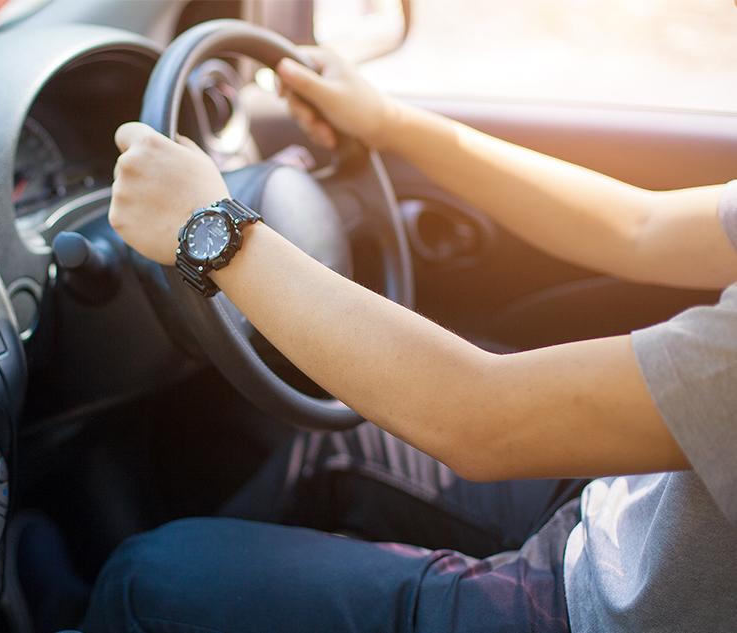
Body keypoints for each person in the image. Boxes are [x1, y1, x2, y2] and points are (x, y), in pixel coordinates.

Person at [81, 44, 737, 633]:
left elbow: (483, 422)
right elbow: (640, 226)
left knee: (148, 582)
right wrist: (392, 123)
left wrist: (208, 227)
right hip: (631, 509)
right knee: (324, 445)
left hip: (596, 610)